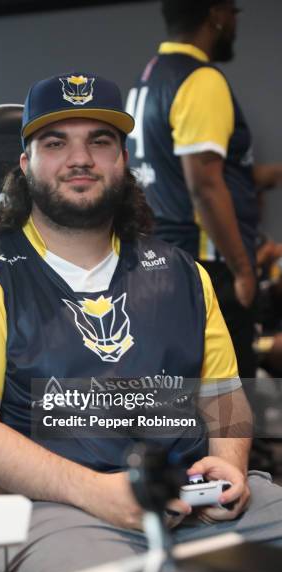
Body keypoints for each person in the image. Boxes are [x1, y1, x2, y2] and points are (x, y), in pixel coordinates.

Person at [0, 71, 282, 572]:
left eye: (100, 141)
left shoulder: (185, 275)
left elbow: (224, 398)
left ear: (123, 161)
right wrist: (98, 492)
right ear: (26, 164)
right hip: (54, 514)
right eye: (55, 142)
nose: (80, 158)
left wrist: (228, 466)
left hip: (193, 504)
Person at [126, 0, 269, 380]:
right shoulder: (201, 79)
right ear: (216, 15)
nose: (235, 22)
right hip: (206, 265)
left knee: (179, 394)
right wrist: (243, 270)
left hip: (160, 256)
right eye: (233, 13)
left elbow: (178, 172)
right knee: (228, 396)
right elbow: (205, 185)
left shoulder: (151, 75)